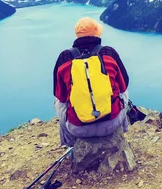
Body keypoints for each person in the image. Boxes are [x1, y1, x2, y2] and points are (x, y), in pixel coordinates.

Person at [53, 17, 130, 146]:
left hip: (78, 128)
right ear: (97, 33)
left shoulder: (64, 58)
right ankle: (121, 134)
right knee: (122, 90)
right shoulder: (109, 53)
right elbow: (123, 86)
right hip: (111, 123)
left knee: (58, 100)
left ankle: (69, 145)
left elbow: (60, 95)